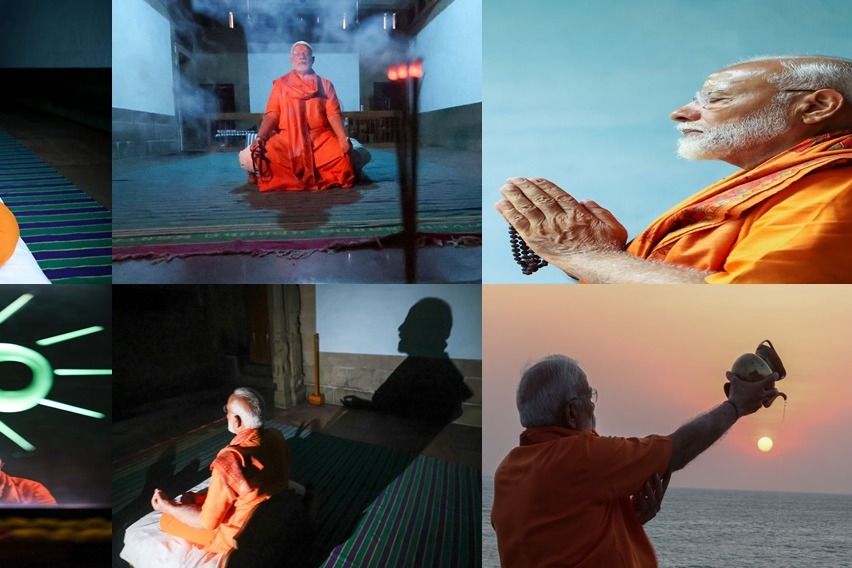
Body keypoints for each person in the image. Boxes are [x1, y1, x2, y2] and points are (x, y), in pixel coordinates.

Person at [496, 55, 852, 283]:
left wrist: (586, 255)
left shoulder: (836, 190)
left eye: (713, 99)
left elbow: (748, 312)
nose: (680, 112)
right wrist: (607, 260)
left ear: (816, 106)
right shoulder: (785, 181)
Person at [491, 354, 780, 567]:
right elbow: (677, 450)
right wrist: (736, 405)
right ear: (570, 413)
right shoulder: (582, 456)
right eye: (588, 395)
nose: (593, 404)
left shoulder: (508, 469)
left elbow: (554, 540)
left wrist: (626, 518)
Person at [150, 388, 291, 554]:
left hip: (238, 532)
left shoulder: (229, 462)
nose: (226, 415)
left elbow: (206, 524)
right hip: (263, 508)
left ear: (237, 420)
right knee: (199, 497)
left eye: (227, 411)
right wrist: (199, 498)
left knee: (167, 519)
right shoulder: (276, 435)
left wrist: (168, 507)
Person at [239, 41, 355, 191]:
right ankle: (258, 172)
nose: (301, 56)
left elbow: (333, 113)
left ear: (312, 60)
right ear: (291, 60)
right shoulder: (280, 85)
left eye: (305, 54)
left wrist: (341, 138)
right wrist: (260, 137)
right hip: (288, 139)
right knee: (262, 153)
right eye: (297, 54)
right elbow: (272, 115)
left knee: (342, 157)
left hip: (319, 138)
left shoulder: (325, 85)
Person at [341, 298, 473, 425]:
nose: (401, 328)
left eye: (411, 323)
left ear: (429, 330)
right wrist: (365, 405)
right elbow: (396, 409)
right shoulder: (422, 363)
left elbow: (409, 422)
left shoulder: (436, 373)